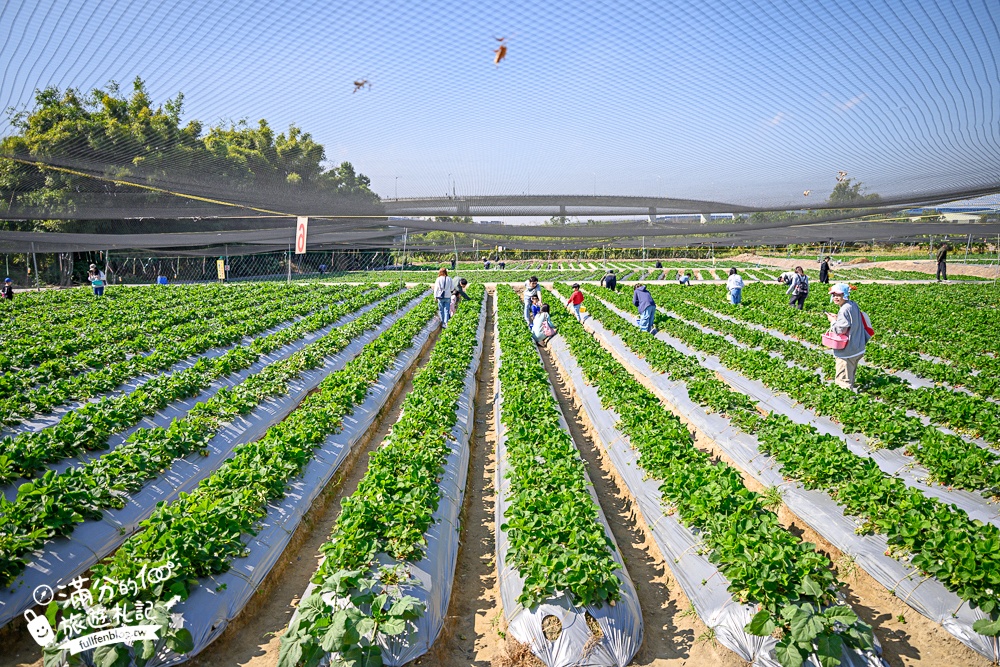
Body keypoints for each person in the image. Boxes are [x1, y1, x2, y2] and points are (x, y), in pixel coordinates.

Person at [825, 283, 871, 391]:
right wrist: (838, 318)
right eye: (834, 295)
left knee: (843, 382)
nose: (835, 297)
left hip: (848, 352)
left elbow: (841, 330)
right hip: (858, 347)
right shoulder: (852, 304)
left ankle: (846, 398)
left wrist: (833, 321)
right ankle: (850, 392)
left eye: (839, 295)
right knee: (849, 375)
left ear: (845, 295)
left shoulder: (844, 309)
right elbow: (851, 321)